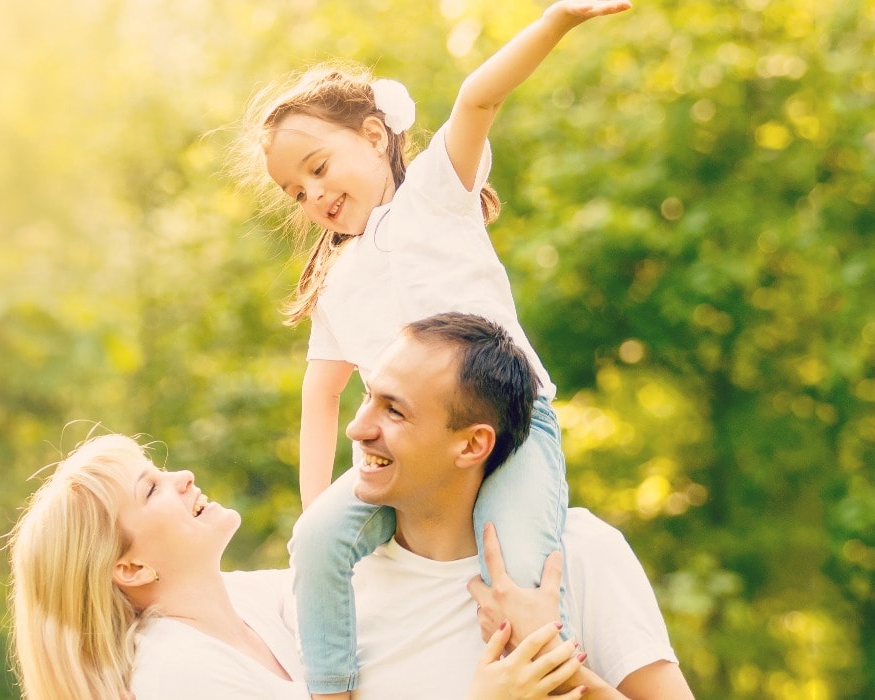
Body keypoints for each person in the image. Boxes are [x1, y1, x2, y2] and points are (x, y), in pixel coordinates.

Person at [237, 2, 633, 694]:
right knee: (320, 542)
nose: (315, 194)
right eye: (297, 191)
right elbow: (321, 393)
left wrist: (557, 21)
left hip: (511, 426)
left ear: (373, 134)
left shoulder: (435, 195)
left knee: (517, 581)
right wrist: (313, 503)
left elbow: (478, 95)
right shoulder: (338, 280)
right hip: (405, 451)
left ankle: (550, 678)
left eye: (321, 167)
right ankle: (331, 687)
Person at [5, 432, 585, 700]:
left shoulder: (257, 599)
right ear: (129, 568)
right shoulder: (178, 677)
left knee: (584, 540)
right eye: (150, 488)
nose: (180, 476)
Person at [341, 312, 694, 698]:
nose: (357, 428)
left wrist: (552, 659)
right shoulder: (340, 586)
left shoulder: (579, 553)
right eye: (367, 396)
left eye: (394, 410)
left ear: (473, 444)